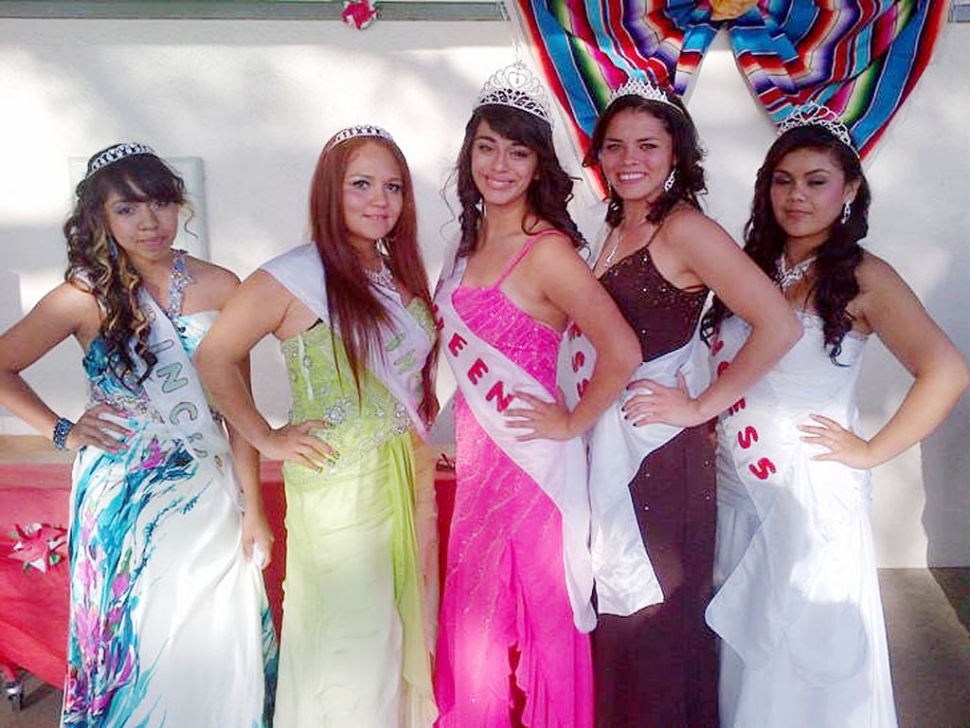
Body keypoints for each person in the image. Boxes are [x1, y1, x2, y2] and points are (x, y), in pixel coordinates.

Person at [702, 106, 969, 728]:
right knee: (741, 653)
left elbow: (947, 370)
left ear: (849, 189)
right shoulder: (752, 265)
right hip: (734, 486)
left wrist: (872, 450)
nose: (797, 196)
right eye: (783, 179)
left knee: (798, 656)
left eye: (816, 181)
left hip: (809, 494)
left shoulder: (866, 277)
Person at [0, 143, 277, 726]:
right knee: (139, 634)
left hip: (208, 489)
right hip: (122, 496)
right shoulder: (81, 297)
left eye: (160, 202)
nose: (149, 221)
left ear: (179, 207)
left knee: (215, 630)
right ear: (100, 217)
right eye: (127, 208)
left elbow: (241, 414)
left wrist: (254, 508)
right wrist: (62, 431)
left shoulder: (224, 285)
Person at [573, 78, 803, 727]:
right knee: (619, 617)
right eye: (615, 146)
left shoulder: (685, 229)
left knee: (656, 619)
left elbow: (777, 324)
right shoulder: (616, 222)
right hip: (612, 448)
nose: (629, 160)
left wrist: (699, 408)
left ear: (677, 152)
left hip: (658, 459)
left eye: (648, 144)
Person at [195, 125, 438, 727]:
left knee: (398, 628)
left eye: (393, 187)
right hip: (337, 486)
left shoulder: (396, 276)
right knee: (348, 642)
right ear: (330, 191)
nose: (379, 200)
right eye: (361, 185)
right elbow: (213, 358)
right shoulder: (291, 277)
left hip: (405, 474)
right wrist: (267, 436)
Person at [432, 62, 641, 728]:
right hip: (477, 466)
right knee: (477, 625)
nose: (500, 164)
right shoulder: (465, 247)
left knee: (542, 618)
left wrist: (573, 419)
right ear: (469, 155)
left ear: (536, 166)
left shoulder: (546, 251)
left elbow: (621, 351)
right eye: (487, 146)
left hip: (533, 473)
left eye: (517, 151)